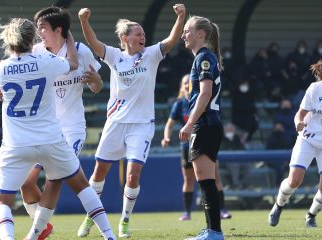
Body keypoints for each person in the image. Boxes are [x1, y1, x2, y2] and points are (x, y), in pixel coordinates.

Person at [77, 4, 186, 238]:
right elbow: (94, 43)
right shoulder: (114, 56)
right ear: (125, 38)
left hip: (142, 124)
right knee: (98, 174)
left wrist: (181, 17)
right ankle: (91, 215)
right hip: (115, 123)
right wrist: (84, 21)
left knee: (133, 174)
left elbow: (171, 39)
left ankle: (124, 221)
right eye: (139, 34)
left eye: (144, 34)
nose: (143, 37)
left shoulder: (151, 54)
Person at [0, 17, 82, 240]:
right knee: (27, 183)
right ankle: (43, 227)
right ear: (32, 37)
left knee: (54, 179)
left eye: (45, 27)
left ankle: (36, 231)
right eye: (39, 28)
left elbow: (96, 82)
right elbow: (71, 64)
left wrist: (96, 81)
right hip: (40, 132)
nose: (42, 32)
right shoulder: (44, 58)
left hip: (64, 128)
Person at [179, 15, 225, 239]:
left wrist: (189, 123)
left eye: (187, 30)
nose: (183, 35)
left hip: (205, 124)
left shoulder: (204, 58)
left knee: (205, 180)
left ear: (200, 34)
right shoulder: (205, 57)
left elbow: (205, 93)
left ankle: (214, 232)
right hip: (209, 124)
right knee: (205, 179)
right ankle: (212, 230)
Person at [161, 75, 231, 221]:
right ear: (182, 86)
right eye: (185, 83)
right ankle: (187, 212)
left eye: (189, 83)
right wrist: (166, 137)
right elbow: (169, 124)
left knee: (215, 176)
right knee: (189, 179)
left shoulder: (202, 100)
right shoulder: (179, 104)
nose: (187, 85)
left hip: (205, 142)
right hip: (187, 146)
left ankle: (222, 210)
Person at [268, 60, 322, 228]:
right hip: (308, 138)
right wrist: (298, 122)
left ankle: (311, 215)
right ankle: (278, 205)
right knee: (295, 180)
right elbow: (300, 114)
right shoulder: (315, 89)